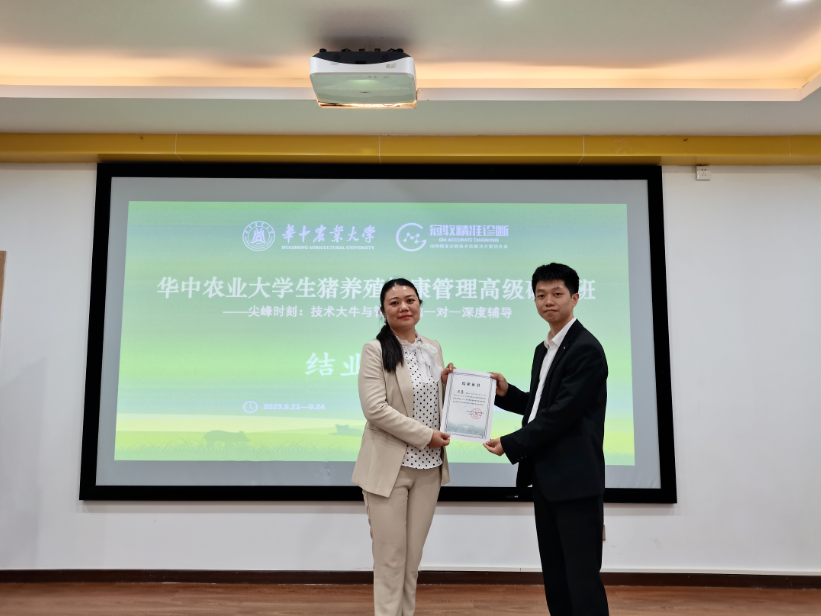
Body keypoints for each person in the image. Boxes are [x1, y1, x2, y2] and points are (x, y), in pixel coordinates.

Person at [483, 263, 609, 616]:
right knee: (556, 576)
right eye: (541, 295)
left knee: (581, 577)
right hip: (548, 478)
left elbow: (562, 414)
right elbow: (542, 405)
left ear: (575, 298)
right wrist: (506, 394)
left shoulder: (585, 348)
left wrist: (511, 443)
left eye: (557, 294)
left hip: (575, 481)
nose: (548, 301)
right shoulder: (546, 348)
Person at [353, 278, 455, 616]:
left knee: (412, 561)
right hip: (389, 469)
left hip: (429, 468)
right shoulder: (376, 350)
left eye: (410, 300)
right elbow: (375, 409)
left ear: (420, 305)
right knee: (390, 560)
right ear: (383, 311)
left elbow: (432, 403)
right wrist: (425, 436)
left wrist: (449, 387)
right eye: (394, 302)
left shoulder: (433, 347)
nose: (403, 307)